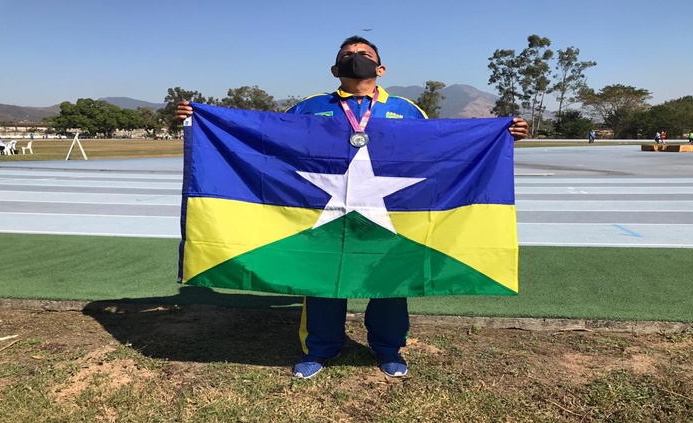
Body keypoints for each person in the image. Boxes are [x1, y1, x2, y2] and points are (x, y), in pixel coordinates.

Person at [175, 36, 529, 379]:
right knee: (321, 280)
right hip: (322, 211)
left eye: (363, 52)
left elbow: (438, 153)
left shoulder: (407, 110)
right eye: (347, 54)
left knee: (390, 281)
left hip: (390, 212)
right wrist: (200, 119)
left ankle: (388, 349)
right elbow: (269, 144)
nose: (355, 56)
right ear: (335, 68)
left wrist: (502, 134)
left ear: (381, 67)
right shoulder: (309, 107)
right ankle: (319, 349)